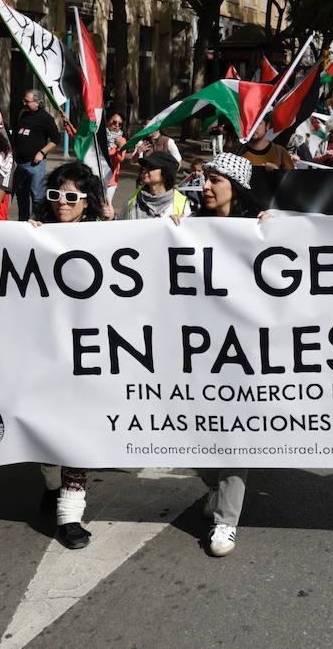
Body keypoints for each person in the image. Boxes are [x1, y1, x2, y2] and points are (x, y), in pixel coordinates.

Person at [28, 161, 110, 548]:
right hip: (39, 350)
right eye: (56, 195)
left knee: (77, 434)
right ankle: (50, 484)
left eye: (72, 197)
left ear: (86, 202)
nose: (63, 203)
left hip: (87, 353)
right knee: (43, 435)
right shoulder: (32, 235)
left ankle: (69, 515)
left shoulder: (105, 240)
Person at [190, 152, 261, 556]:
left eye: (215, 179)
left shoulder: (259, 228)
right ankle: (219, 497)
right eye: (203, 178)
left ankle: (225, 522)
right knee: (208, 429)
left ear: (236, 186)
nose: (206, 186)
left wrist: (275, 231)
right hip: (199, 348)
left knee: (237, 433)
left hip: (244, 350)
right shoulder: (190, 228)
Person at [11, 89, 61, 221]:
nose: (24, 103)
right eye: (24, 100)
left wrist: (42, 152)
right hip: (19, 164)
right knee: (21, 196)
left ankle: (38, 221)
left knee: (37, 196)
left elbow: (56, 139)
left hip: (35, 165)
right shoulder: (22, 114)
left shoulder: (45, 118)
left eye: (27, 101)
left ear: (38, 102)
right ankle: (23, 221)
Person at [121, 150, 190, 219]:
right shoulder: (132, 199)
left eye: (151, 167)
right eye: (144, 167)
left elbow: (188, 229)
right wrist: (111, 218)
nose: (145, 170)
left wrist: (178, 224)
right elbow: (120, 226)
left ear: (165, 173)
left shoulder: (182, 204)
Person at [103, 110, 129, 207]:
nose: (117, 125)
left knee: (107, 204)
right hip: (97, 177)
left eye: (120, 124)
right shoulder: (99, 137)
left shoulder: (122, 140)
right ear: (107, 121)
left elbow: (120, 159)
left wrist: (119, 148)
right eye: (114, 122)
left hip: (111, 179)